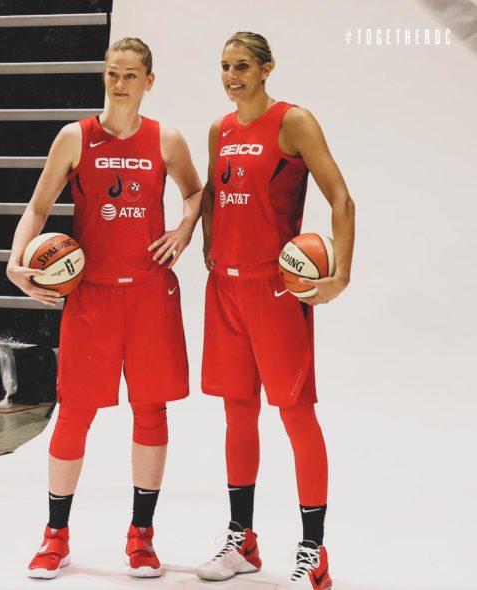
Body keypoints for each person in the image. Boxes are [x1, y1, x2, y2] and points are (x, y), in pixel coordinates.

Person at [6, 37, 202, 579]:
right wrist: (14, 261)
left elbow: (194, 193)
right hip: (91, 298)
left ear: (149, 81)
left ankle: (141, 537)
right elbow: (38, 206)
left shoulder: (167, 139)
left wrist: (184, 228)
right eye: (112, 73)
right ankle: (55, 536)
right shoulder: (75, 136)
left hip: (149, 296)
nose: (120, 83)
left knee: (151, 412)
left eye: (131, 74)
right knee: (74, 414)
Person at [195, 32, 355, 590]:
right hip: (227, 291)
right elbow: (215, 196)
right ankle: (243, 541)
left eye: (242, 66)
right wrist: (211, 248)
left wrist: (341, 274)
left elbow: (341, 197)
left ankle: (314, 549)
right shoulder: (220, 129)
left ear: (266, 69)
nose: (231, 75)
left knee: (295, 415)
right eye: (224, 66)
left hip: (277, 292)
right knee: (237, 414)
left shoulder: (294, 121)